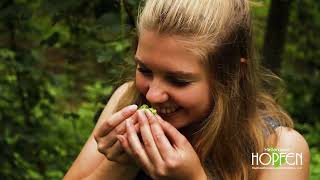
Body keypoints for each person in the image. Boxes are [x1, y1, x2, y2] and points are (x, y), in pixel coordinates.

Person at [64, 0, 310, 179]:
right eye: (145, 70)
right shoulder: (126, 99)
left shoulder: (279, 150)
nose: (152, 95)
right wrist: (120, 165)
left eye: (178, 81)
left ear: (232, 73)